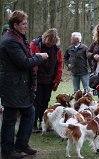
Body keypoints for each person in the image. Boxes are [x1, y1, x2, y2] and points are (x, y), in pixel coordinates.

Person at [0, 10, 48, 159]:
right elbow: (24, 63)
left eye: (26, 23)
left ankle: (21, 144)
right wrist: (39, 57)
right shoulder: (10, 41)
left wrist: (34, 57)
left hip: (20, 84)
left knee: (29, 112)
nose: (26, 26)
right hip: (12, 85)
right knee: (10, 117)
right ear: (15, 25)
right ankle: (7, 151)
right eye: (23, 24)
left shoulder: (17, 37)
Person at [30, 28, 63, 132]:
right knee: (36, 101)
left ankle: (44, 123)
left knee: (45, 101)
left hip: (49, 79)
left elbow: (60, 65)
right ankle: (33, 124)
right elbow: (29, 59)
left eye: (52, 43)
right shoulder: (35, 44)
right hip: (37, 78)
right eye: (48, 43)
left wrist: (57, 79)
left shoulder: (57, 49)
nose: (49, 45)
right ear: (45, 38)